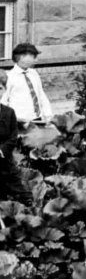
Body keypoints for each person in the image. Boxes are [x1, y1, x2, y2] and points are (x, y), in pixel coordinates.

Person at [2, 43, 54, 127]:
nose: (34, 60)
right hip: (20, 121)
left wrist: (48, 115)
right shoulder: (9, 77)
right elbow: (4, 101)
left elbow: (40, 94)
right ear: (19, 57)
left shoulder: (34, 73)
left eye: (33, 56)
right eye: (32, 57)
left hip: (37, 119)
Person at [0, 71, 30, 204]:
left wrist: (2, 150)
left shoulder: (9, 112)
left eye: (0, 88)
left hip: (5, 161)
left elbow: (13, 136)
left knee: (25, 196)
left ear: (4, 90)